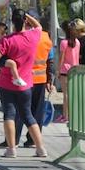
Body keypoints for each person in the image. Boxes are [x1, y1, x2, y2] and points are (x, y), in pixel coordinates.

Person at [0, 8, 48, 159]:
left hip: (5, 84)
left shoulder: (8, 40)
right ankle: (41, 148)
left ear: (12, 22)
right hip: (26, 84)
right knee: (28, 115)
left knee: (9, 114)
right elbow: (39, 26)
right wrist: (27, 16)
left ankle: (11, 149)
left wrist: (8, 62)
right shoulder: (34, 36)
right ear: (25, 21)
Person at [15, 12, 55, 148]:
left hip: (24, 79)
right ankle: (32, 140)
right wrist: (50, 80)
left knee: (20, 110)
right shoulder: (45, 37)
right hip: (41, 79)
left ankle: (13, 139)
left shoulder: (23, 36)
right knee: (37, 111)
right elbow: (50, 60)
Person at [55, 20, 81, 124]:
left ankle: (65, 116)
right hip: (75, 69)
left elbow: (61, 58)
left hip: (65, 70)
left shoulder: (64, 43)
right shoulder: (77, 42)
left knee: (65, 94)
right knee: (73, 94)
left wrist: (57, 70)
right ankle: (73, 115)